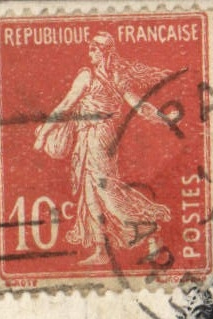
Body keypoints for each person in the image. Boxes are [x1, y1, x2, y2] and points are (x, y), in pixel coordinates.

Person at [33, 31, 173, 266]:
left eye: (95, 49)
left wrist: (162, 118)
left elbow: (138, 105)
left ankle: (147, 229)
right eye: (90, 49)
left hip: (99, 136)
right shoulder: (104, 76)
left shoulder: (99, 77)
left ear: (106, 52)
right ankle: (102, 249)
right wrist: (163, 119)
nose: (90, 53)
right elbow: (67, 105)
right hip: (90, 135)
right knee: (89, 193)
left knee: (105, 189)